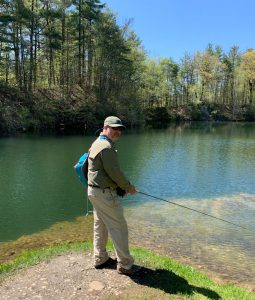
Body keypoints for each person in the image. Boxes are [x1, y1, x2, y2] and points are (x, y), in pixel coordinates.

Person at [87, 116, 139, 275]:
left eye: (120, 129)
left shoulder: (97, 142)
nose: (118, 132)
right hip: (104, 194)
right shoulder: (106, 147)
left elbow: (104, 172)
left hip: (94, 192)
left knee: (100, 225)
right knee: (119, 227)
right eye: (114, 128)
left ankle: (100, 258)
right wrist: (128, 187)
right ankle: (125, 264)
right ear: (105, 127)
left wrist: (121, 187)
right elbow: (115, 173)